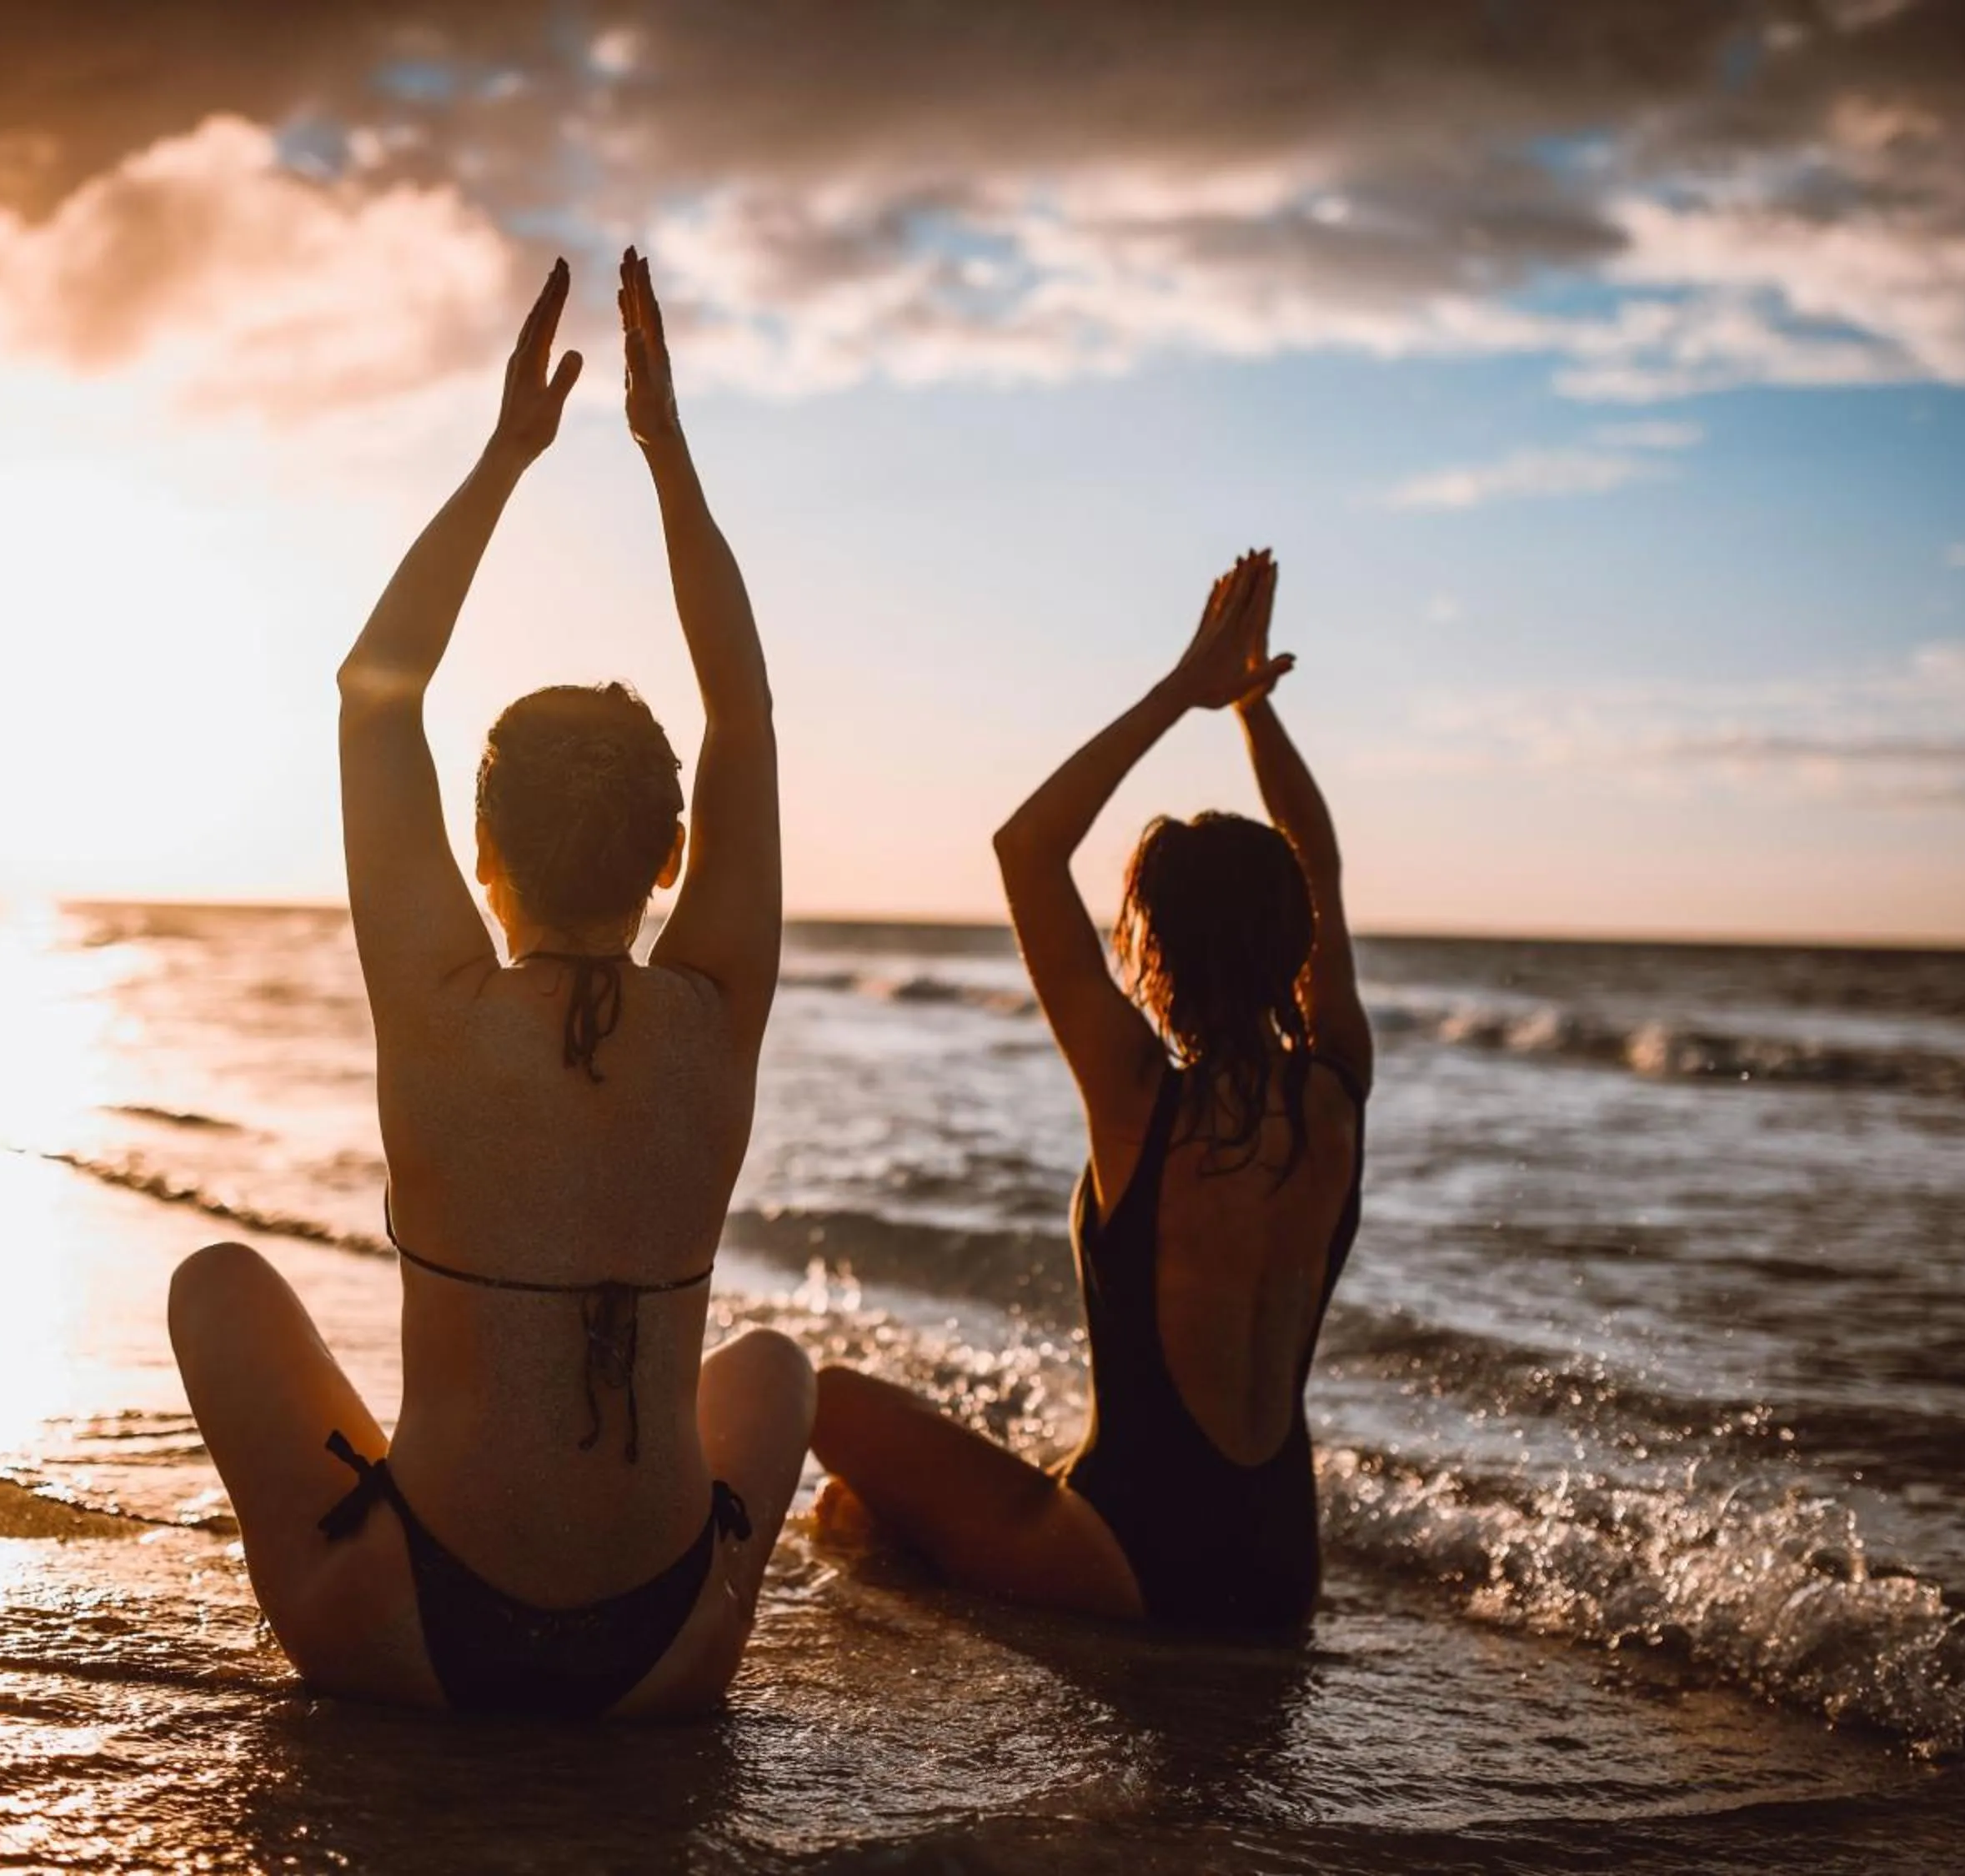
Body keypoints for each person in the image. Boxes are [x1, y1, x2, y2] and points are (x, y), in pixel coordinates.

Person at [168, 249, 813, 1718]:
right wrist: (662, 449)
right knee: (773, 1369)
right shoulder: (715, 1009)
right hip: (665, 1656)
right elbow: (746, 713)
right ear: (674, 857)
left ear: (481, 852)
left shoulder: (439, 1001)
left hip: (415, 1634)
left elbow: (371, 686)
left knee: (217, 1282)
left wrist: (509, 451)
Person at [810, 550, 1372, 1631]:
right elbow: (1325, 862)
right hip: (1279, 1568)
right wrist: (1253, 710)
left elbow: (1027, 848)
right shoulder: (1339, 1090)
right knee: (895, 1500)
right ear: (1293, 936)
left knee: (827, 1408)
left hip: (1133, 1561)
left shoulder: (1136, 1096)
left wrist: (1184, 689)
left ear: (1150, 945)